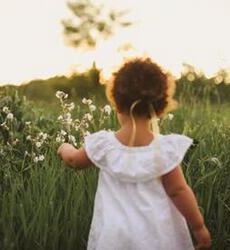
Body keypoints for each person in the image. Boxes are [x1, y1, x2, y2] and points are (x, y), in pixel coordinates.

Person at [57, 57, 211, 250]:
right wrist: (199, 227)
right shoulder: (163, 150)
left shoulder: (104, 145)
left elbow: (74, 160)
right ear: (160, 108)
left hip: (114, 238)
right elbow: (178, 190)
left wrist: (64, 148)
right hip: (156, 238)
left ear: (116, 102)